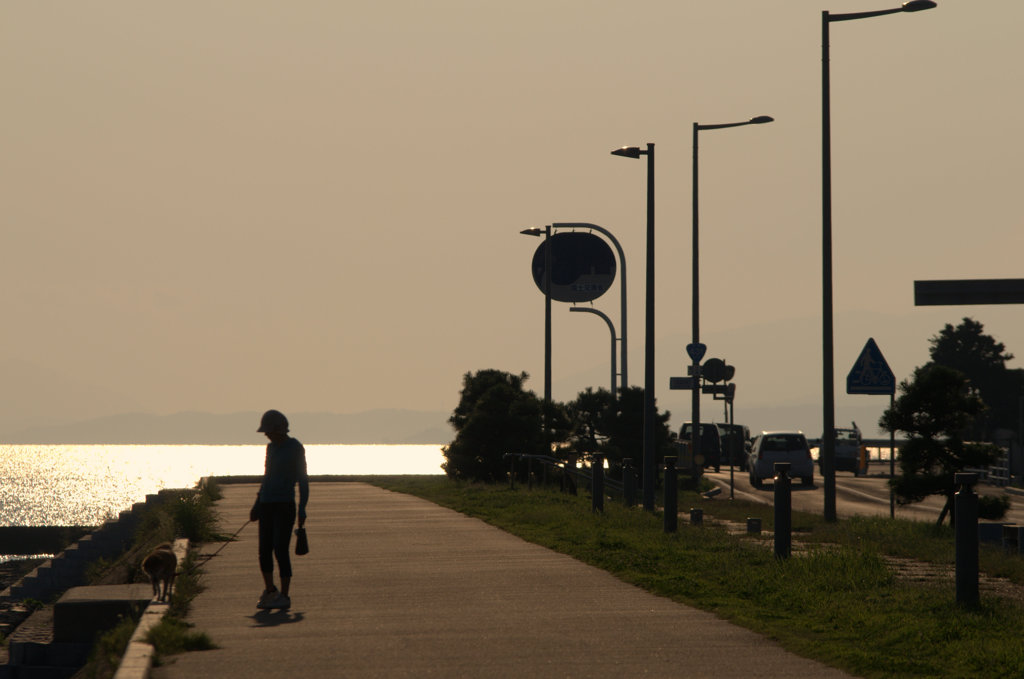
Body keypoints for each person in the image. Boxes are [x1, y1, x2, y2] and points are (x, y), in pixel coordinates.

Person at [253, 409, 309, 610]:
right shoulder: (270, 449)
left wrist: (302, 508)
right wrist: (257, 503)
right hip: (267, 503)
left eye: (269, 431)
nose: (267, 435)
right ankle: (270, 591)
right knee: (263, 551)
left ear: (280, 429)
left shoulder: (295, 448)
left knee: (280, 550)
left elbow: (303, 480)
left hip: (285, 504)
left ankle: (284, 596)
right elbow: (267, 476)